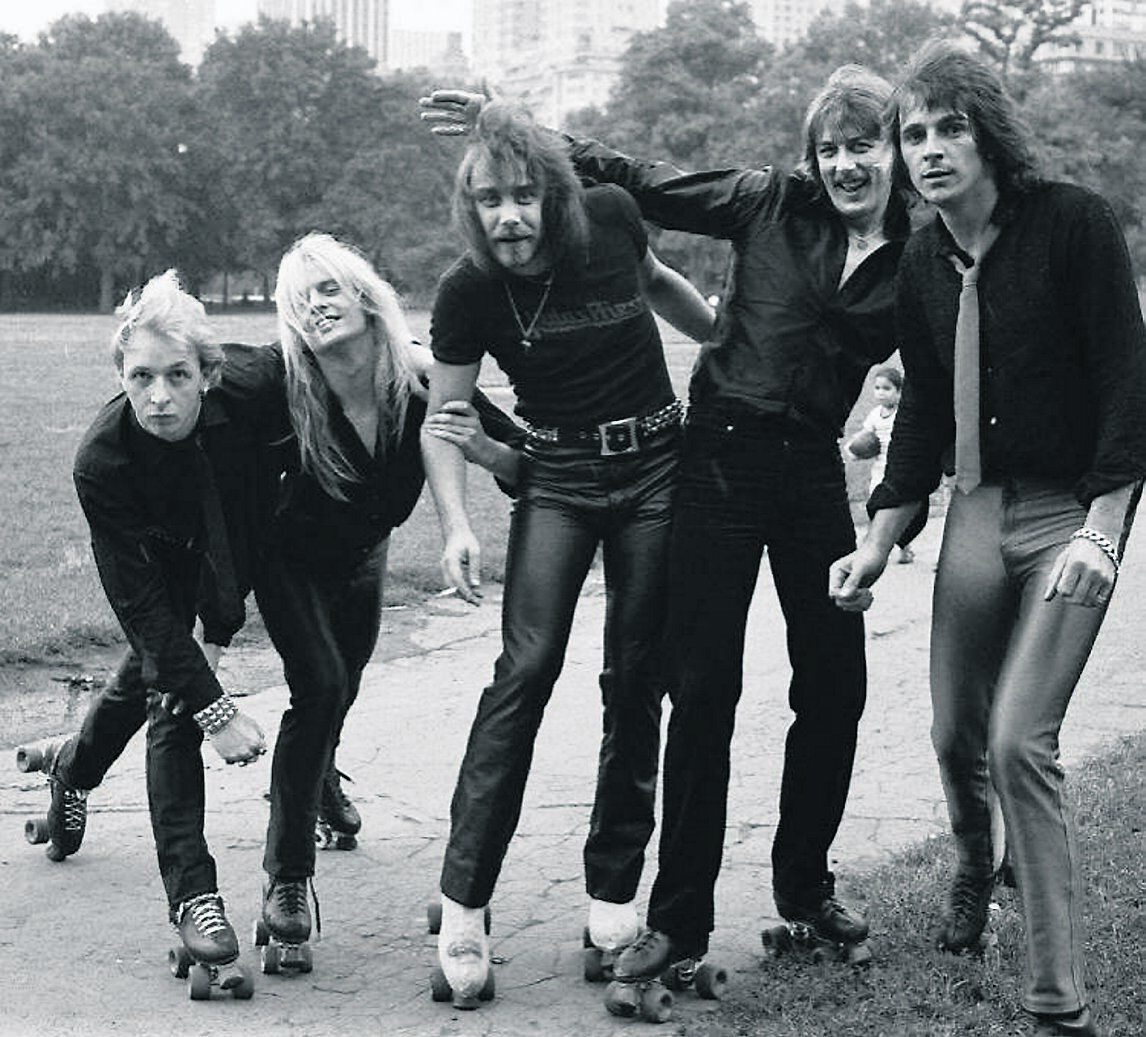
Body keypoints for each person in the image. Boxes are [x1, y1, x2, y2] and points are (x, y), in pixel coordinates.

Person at [424, 64, 917, 982]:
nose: (848, 164)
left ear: (895, 150)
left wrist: (894, 506)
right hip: (711, 461)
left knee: (824, 683)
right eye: (831, 148)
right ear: (811, 156)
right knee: (684, 691)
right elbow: (638, 173)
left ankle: (795, 885)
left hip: (793, 468)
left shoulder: (921, 253)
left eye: (866, 145)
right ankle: (654, 917)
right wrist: (509, 122)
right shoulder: (768, 202)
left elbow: (929, 374)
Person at [829, 41, 1146, 1037]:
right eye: (912, 134)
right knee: (953, 734)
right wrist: (881, 536)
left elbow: (1128, 383)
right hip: (971, 510)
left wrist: (1105, 527)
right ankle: (976, 861)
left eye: (947, 127)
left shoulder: (1074, 226)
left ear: (986, 131)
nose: (928, 149)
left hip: (1068, 519)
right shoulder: (923, 260)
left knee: (1019, 739)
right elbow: (922, 405)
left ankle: (1058, 1001)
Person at [419, 99, 715, 1006]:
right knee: (528, 666)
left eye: (520, 196)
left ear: (550, 194)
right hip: (559, 475)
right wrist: (459, 525)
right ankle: (464, 903)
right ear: (469, 206)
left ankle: (612, 895)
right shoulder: (469, 289)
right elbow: (444, 417)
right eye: (487, 201)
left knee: (637, 674)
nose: (506, 216)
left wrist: (723, 336)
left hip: (658, 465)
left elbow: (660, 279)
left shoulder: (613, 219)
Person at [249, 232, 523, 958]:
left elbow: (521, 460)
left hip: (363, 561)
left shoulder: (426, 381)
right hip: (288, 562)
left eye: (329, 288)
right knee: (320, 684)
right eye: (300, 298)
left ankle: (319, 780)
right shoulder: (283, 390)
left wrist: (495, 455)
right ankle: (286, 878)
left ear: (366, 295)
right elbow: (199, 389)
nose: (316, 304)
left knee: (345, 686)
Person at [41, 271, 270, 988]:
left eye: (178, 375)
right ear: (120, 373)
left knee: (153, 674)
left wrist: (416, 356)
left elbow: (336, 351)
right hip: (156, 565)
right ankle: (194, 898)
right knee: (171, 695)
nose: (160, 397)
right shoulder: (102, 461)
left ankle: (71, 769)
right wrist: (219, 707)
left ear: (208, 372)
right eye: (141, 376)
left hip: (234, 545)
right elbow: (142, 613)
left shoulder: (254, 385)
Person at [846, 366, 926, 563]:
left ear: (899, 392)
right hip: (879, 471)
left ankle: (903, 546)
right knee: (874, 505)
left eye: (887, 388)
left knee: (900, 511)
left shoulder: (903, 416)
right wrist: (853, 450)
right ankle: (873, 543)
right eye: (878, 388)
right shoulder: (874, 415)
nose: (880, 393)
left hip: (898, 470)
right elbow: (863, 437)